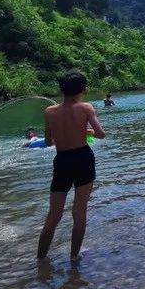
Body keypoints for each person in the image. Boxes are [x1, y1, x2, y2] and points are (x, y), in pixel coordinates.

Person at [37, 71, 106, 262]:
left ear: (61, 89)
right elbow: (100, 134)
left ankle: (40, 259)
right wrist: (86, 131)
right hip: (83, 159)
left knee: (54, 215)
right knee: (79, 209)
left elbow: (49, 142)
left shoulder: (50, 111)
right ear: (83, 90)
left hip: (62, 161)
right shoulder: (86, 108)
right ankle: (74, 257)